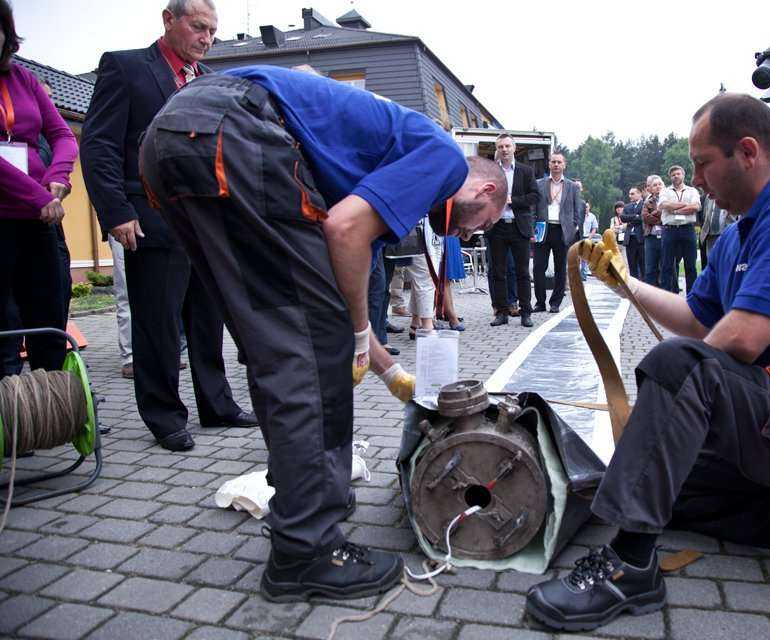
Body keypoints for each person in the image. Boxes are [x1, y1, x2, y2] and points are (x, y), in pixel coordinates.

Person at [139, 65, 507, 602]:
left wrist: (390, 370)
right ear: (486, 187)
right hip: (236, 134)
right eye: (484, 223)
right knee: (313, 355)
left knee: (275, 343)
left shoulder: (380, 171)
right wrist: (356, 334)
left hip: (171, 140)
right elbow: (343, 238)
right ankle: (306, 549)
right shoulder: (446, 162)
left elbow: (338, 287)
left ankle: (299, 505)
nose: (470, 233)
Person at [526, 93, 770, 632]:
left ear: (746, 151)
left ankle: (631, 563)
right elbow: (697, 317)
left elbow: (737, 341)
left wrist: (676, 403)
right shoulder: (741, 231)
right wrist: (626, 284)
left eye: (701, 163)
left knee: (677, 372)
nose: (695, 178)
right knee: (658, 486)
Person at [81, 0, 256, 452]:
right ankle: (164, 416)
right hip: (150, 218)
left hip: (206, 221)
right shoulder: (126, 69)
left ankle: (217, 406)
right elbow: (99, 146)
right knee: (158, 323)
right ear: (169, 19)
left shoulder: (211, 81)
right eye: (198, 27)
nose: (207, 38)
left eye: (213, 31)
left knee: (207, 318)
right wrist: (116, 211)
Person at [0, 0, 77, 376]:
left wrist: (58, 178)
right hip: (11, 215)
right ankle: (11, 416)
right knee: (5, 325)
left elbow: (62, 134)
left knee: (48, 314)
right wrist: (39, 195)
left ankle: (55, 406)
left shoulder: (24, 80)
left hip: (40, 218)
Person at [487, 134, 539, 327]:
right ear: (497, 149)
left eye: (507, 146)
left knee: (523, 272)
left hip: (519, 227)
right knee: (498, 272)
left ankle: (526, 312)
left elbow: (535, 196)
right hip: (497, 226)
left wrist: (513, 201)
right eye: (500, 147)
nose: (504, 150)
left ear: (514, 148)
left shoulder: (526, 171)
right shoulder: (491, 171)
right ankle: (501, 312)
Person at [534, 152, 583, 313]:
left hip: (562, 231)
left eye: (559, 162)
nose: (556, 165)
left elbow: (578, 210)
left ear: (564, 165)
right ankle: (540, 302)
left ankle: (555, 303)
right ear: (549, 164)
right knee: (538, 267)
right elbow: (532, 207)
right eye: (553, 162)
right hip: (543, 229)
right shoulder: (539, 184)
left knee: (560, 268)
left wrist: (574, 227)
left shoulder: (572, 186)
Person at [658, 165, 701, 294]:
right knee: (667, 264)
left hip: (688, 230)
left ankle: (692, 295)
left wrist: (673, 209)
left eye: (678, 174)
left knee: (691, 265)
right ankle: (666, 295)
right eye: (673, 175)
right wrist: (685, 206)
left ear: (683, 175)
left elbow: (696, 207)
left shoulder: (692, 191)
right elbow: (663, 205)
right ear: (670, 177)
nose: (675, 176)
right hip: (670, 230)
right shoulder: (665, 191)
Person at [619, 185, 646, 280]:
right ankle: (634, 286)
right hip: (630, 239)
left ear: (639, 194)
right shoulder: (627, 206)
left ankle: (644, 286)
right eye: (629, 194)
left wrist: (631, 218)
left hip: (641, 239)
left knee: (643, 264)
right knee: (632, 264)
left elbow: (643, 218)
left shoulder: (645, 204)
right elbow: (622, 218)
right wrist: (636, 216)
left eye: (632, 194)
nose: (630, 196)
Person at [641, 176, 664, 287]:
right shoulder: (647, 201)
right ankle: (650, 294)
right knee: (650, 268)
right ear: (651, 188)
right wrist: (660, 216)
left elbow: (668, 217)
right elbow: (645, 217)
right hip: (651, 236)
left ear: (663, 186)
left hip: (666, 236)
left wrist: (653, 214)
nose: (657, 187)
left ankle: (669, 294)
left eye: (660, 184)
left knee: (667, 267)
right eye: (654, 185)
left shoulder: (669, 199)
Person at [580, 202, 600, 280]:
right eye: (584, 207)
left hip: (587, 237)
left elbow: (594, 228)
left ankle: (583, 275)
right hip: (577, 237)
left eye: (587, 207)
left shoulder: (592, 216)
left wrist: (589, 237)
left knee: (584, 257)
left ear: (589, 208)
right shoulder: (577, 214)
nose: (585, 208)